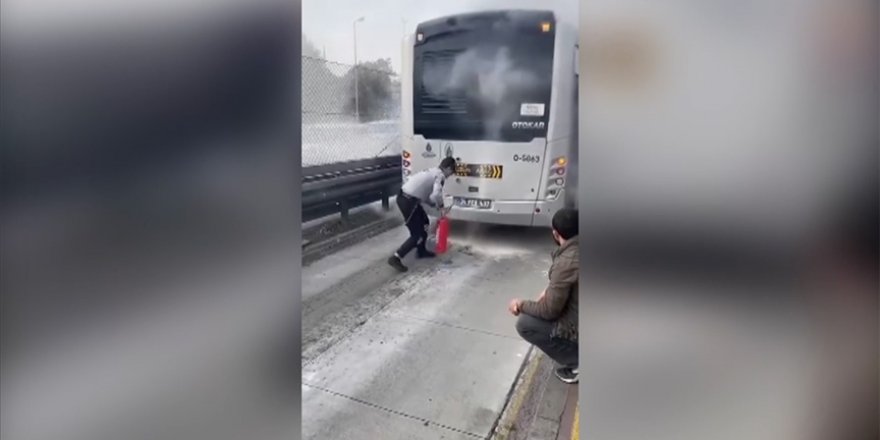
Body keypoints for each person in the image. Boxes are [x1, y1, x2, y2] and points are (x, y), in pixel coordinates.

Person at [508, 208, 579, 383]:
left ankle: (577, 362)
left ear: (555, 233)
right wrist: (549, 291)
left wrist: (521, 304)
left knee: (526, 324)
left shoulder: (567, 261)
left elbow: (549, 311)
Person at [388, 157, 457, 272]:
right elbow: (436, 195)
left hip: (407, 198)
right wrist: (441, 207)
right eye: (452, 171)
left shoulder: (433, 171)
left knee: (425, 221)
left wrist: (435, 207)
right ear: (448, 168)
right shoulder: (440, 176)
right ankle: (396, 257)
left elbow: (427, 197)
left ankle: (421, 250)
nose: (451, 175)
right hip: (408, 201)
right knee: (417, 234)